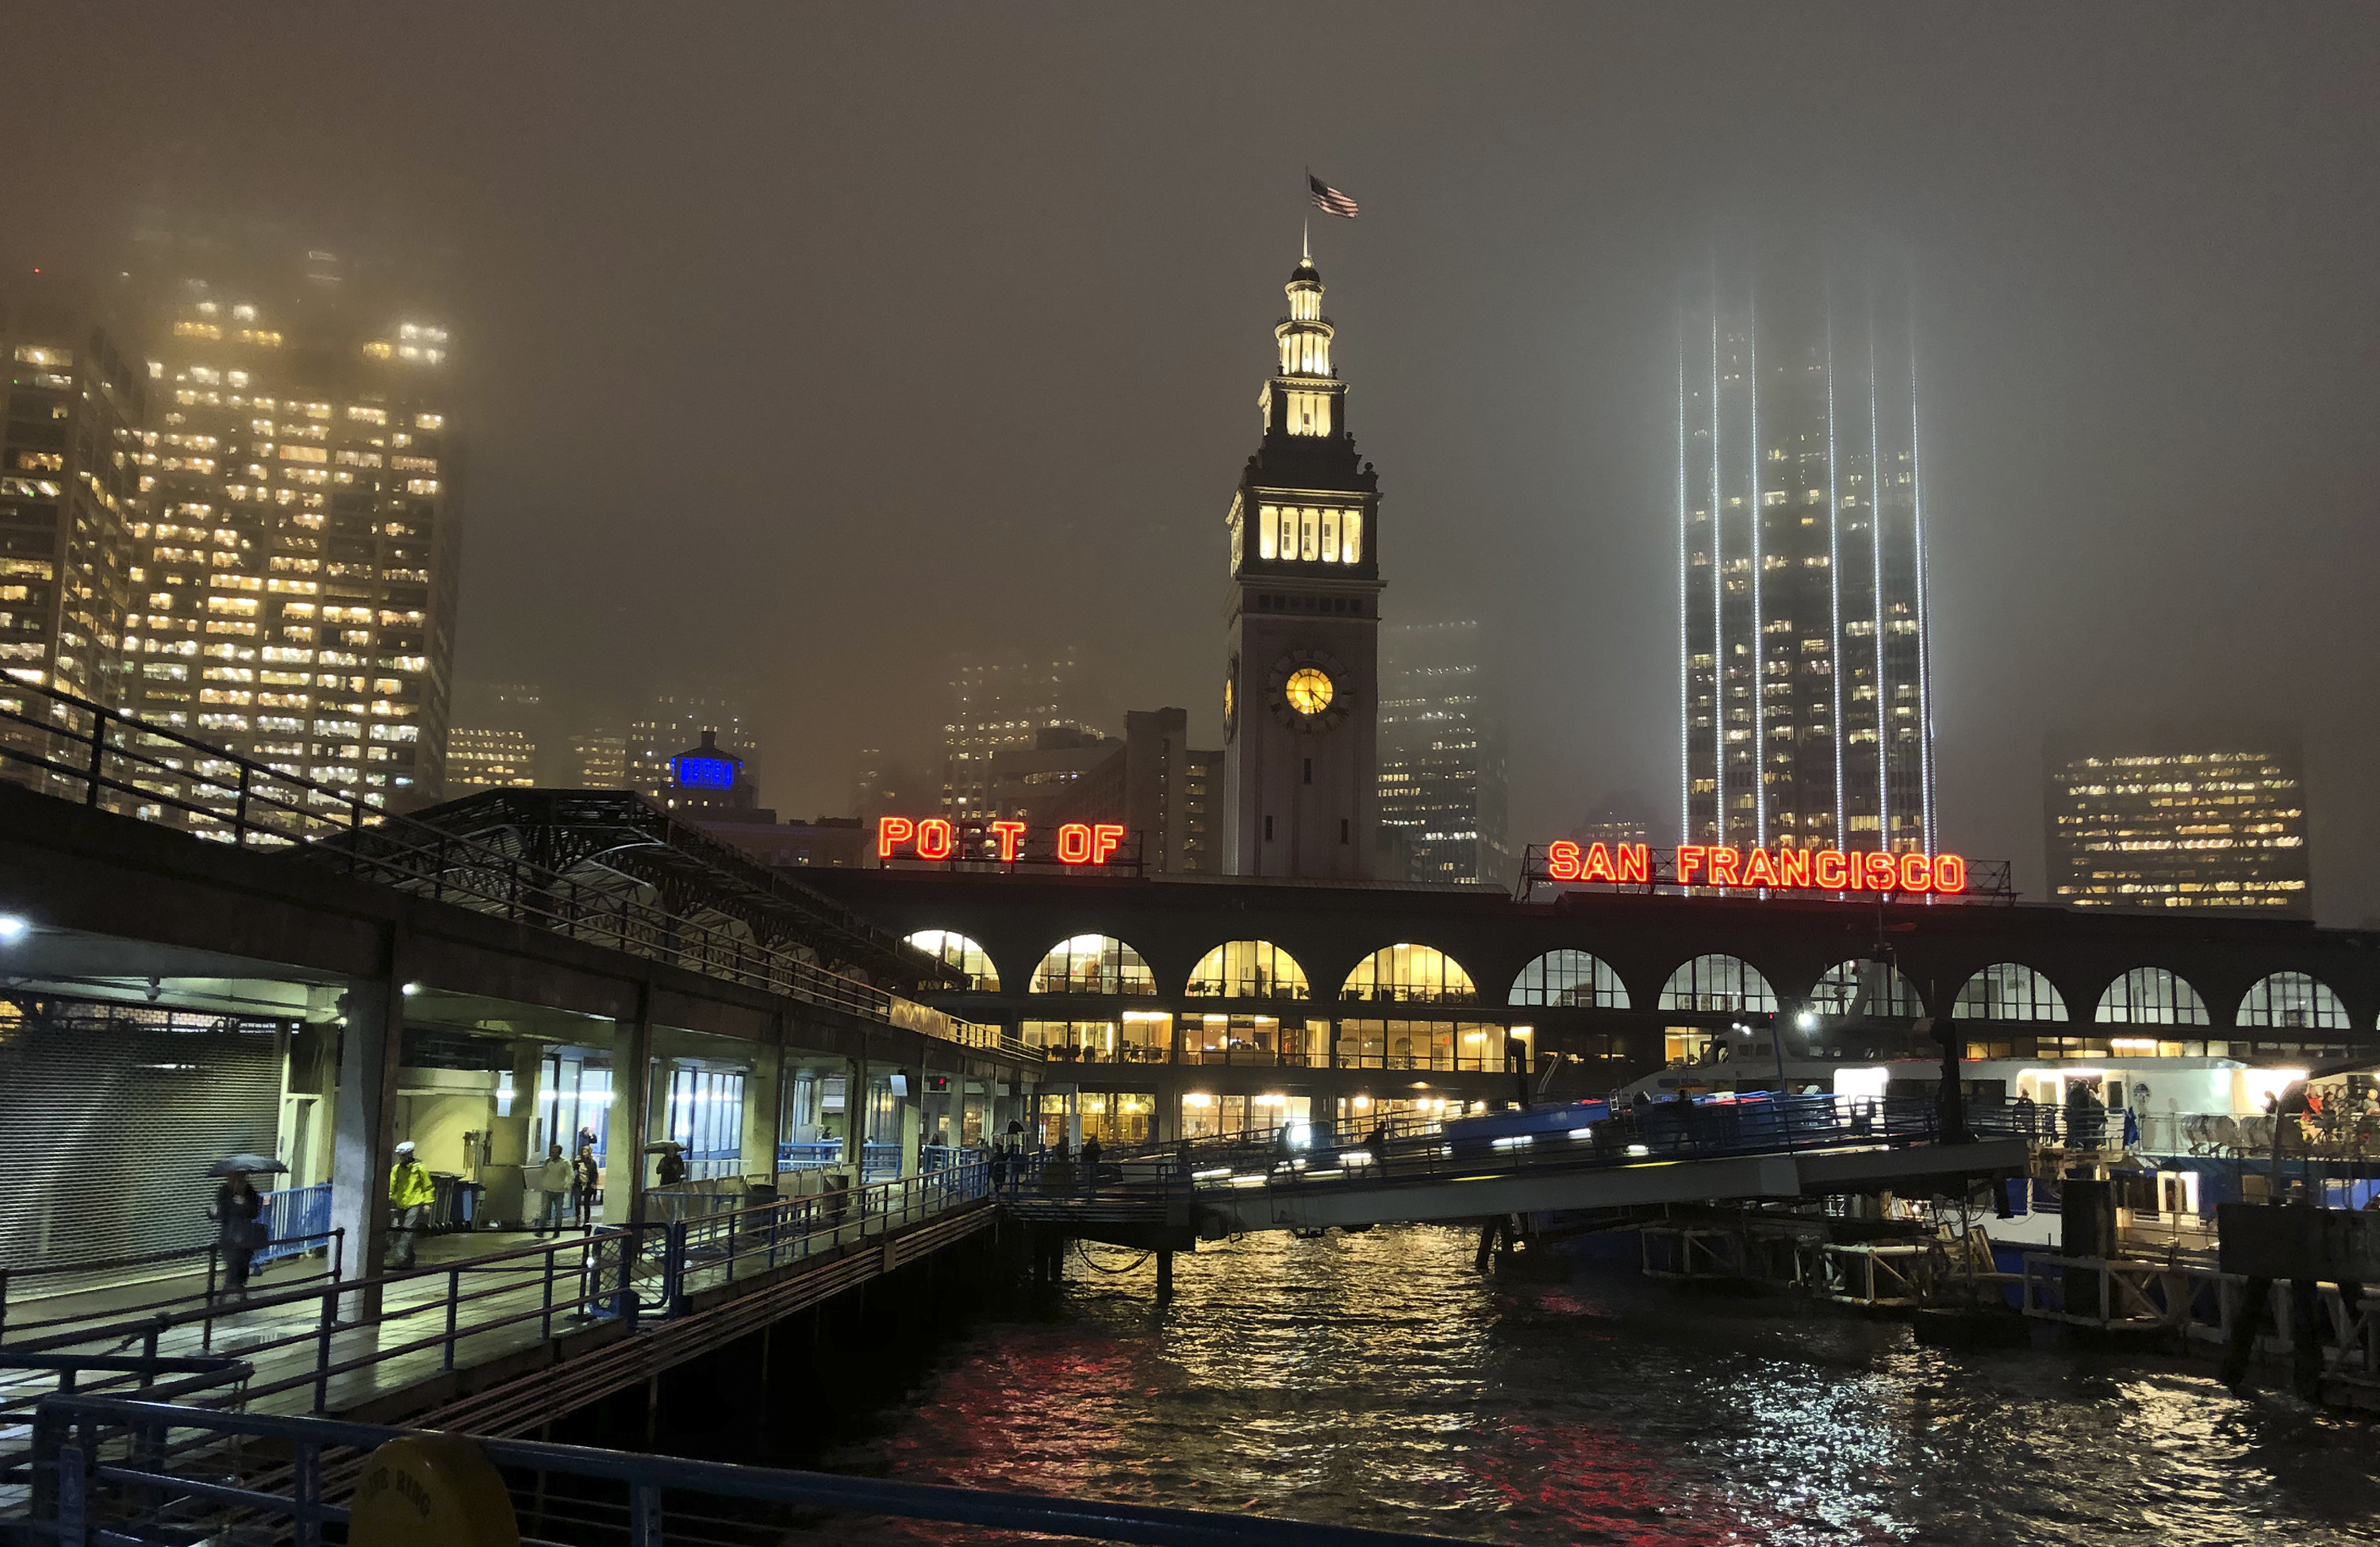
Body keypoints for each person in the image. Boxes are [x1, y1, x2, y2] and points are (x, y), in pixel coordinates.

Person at [210, 1169, 266, 1303]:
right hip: (229, 1235)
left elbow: (254, 1212)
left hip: (245, 1235)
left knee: (241, 1265)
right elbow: (221, 1212)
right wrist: (213, 1212)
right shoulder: (224, 1191)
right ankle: (232, 1292)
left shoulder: (250, 1192)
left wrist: (244, 1205)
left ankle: (235, 1292)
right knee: (232, 1263)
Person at [386, 1141, 434, 1269]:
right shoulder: (396, 1169)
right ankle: (408, 1258)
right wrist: (390, 1199)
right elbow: (392, 1185)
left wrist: (427, 1203)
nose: (402, 1158)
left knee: (408, 1230)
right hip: (400, 1203)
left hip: (415, 1203)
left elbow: (427, 1186)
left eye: (404, 1155)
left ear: (410, 1154)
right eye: (400, 1156)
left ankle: (400, 1258)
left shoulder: (419, 1169)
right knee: (396, 1229)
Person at [532, 1143, 574, 1237]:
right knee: (544, 1211)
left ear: (559, 1153)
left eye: (555, 1152)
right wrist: (542, 1184)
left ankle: (557, 1231)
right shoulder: (548, 1161)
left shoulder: (565, 1162)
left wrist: (567, 1185)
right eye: (552, 1152)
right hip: (548, 1189)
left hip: (559, 1190)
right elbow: (543, 1173)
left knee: (559, 1212)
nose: (553, 1154)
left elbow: (570, 1175)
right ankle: (541, 1230)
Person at [571, 1143, 601, 1230]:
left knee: (586, 1204)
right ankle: (577, 1219)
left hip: (588, 1184)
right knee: (577, 1202)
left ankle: (586, 1221)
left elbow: (595, 1173)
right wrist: (576, 1162)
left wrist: (594, 1183)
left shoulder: (592, 1162)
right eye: (583, 1152)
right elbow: (572, 1169)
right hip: (578, 1184)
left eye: (586, 1152)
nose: (585, 1153)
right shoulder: (578, 1162)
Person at [1080, 1133, 1103, 1198]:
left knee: (1091, 1174)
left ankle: (1090, 1187)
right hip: (1092, 1161)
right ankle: (1090, 1187)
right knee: (1091, 1174)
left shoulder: (1089, 1146)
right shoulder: (1095, 1146)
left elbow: (1084, 1153)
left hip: (1091, 1162)